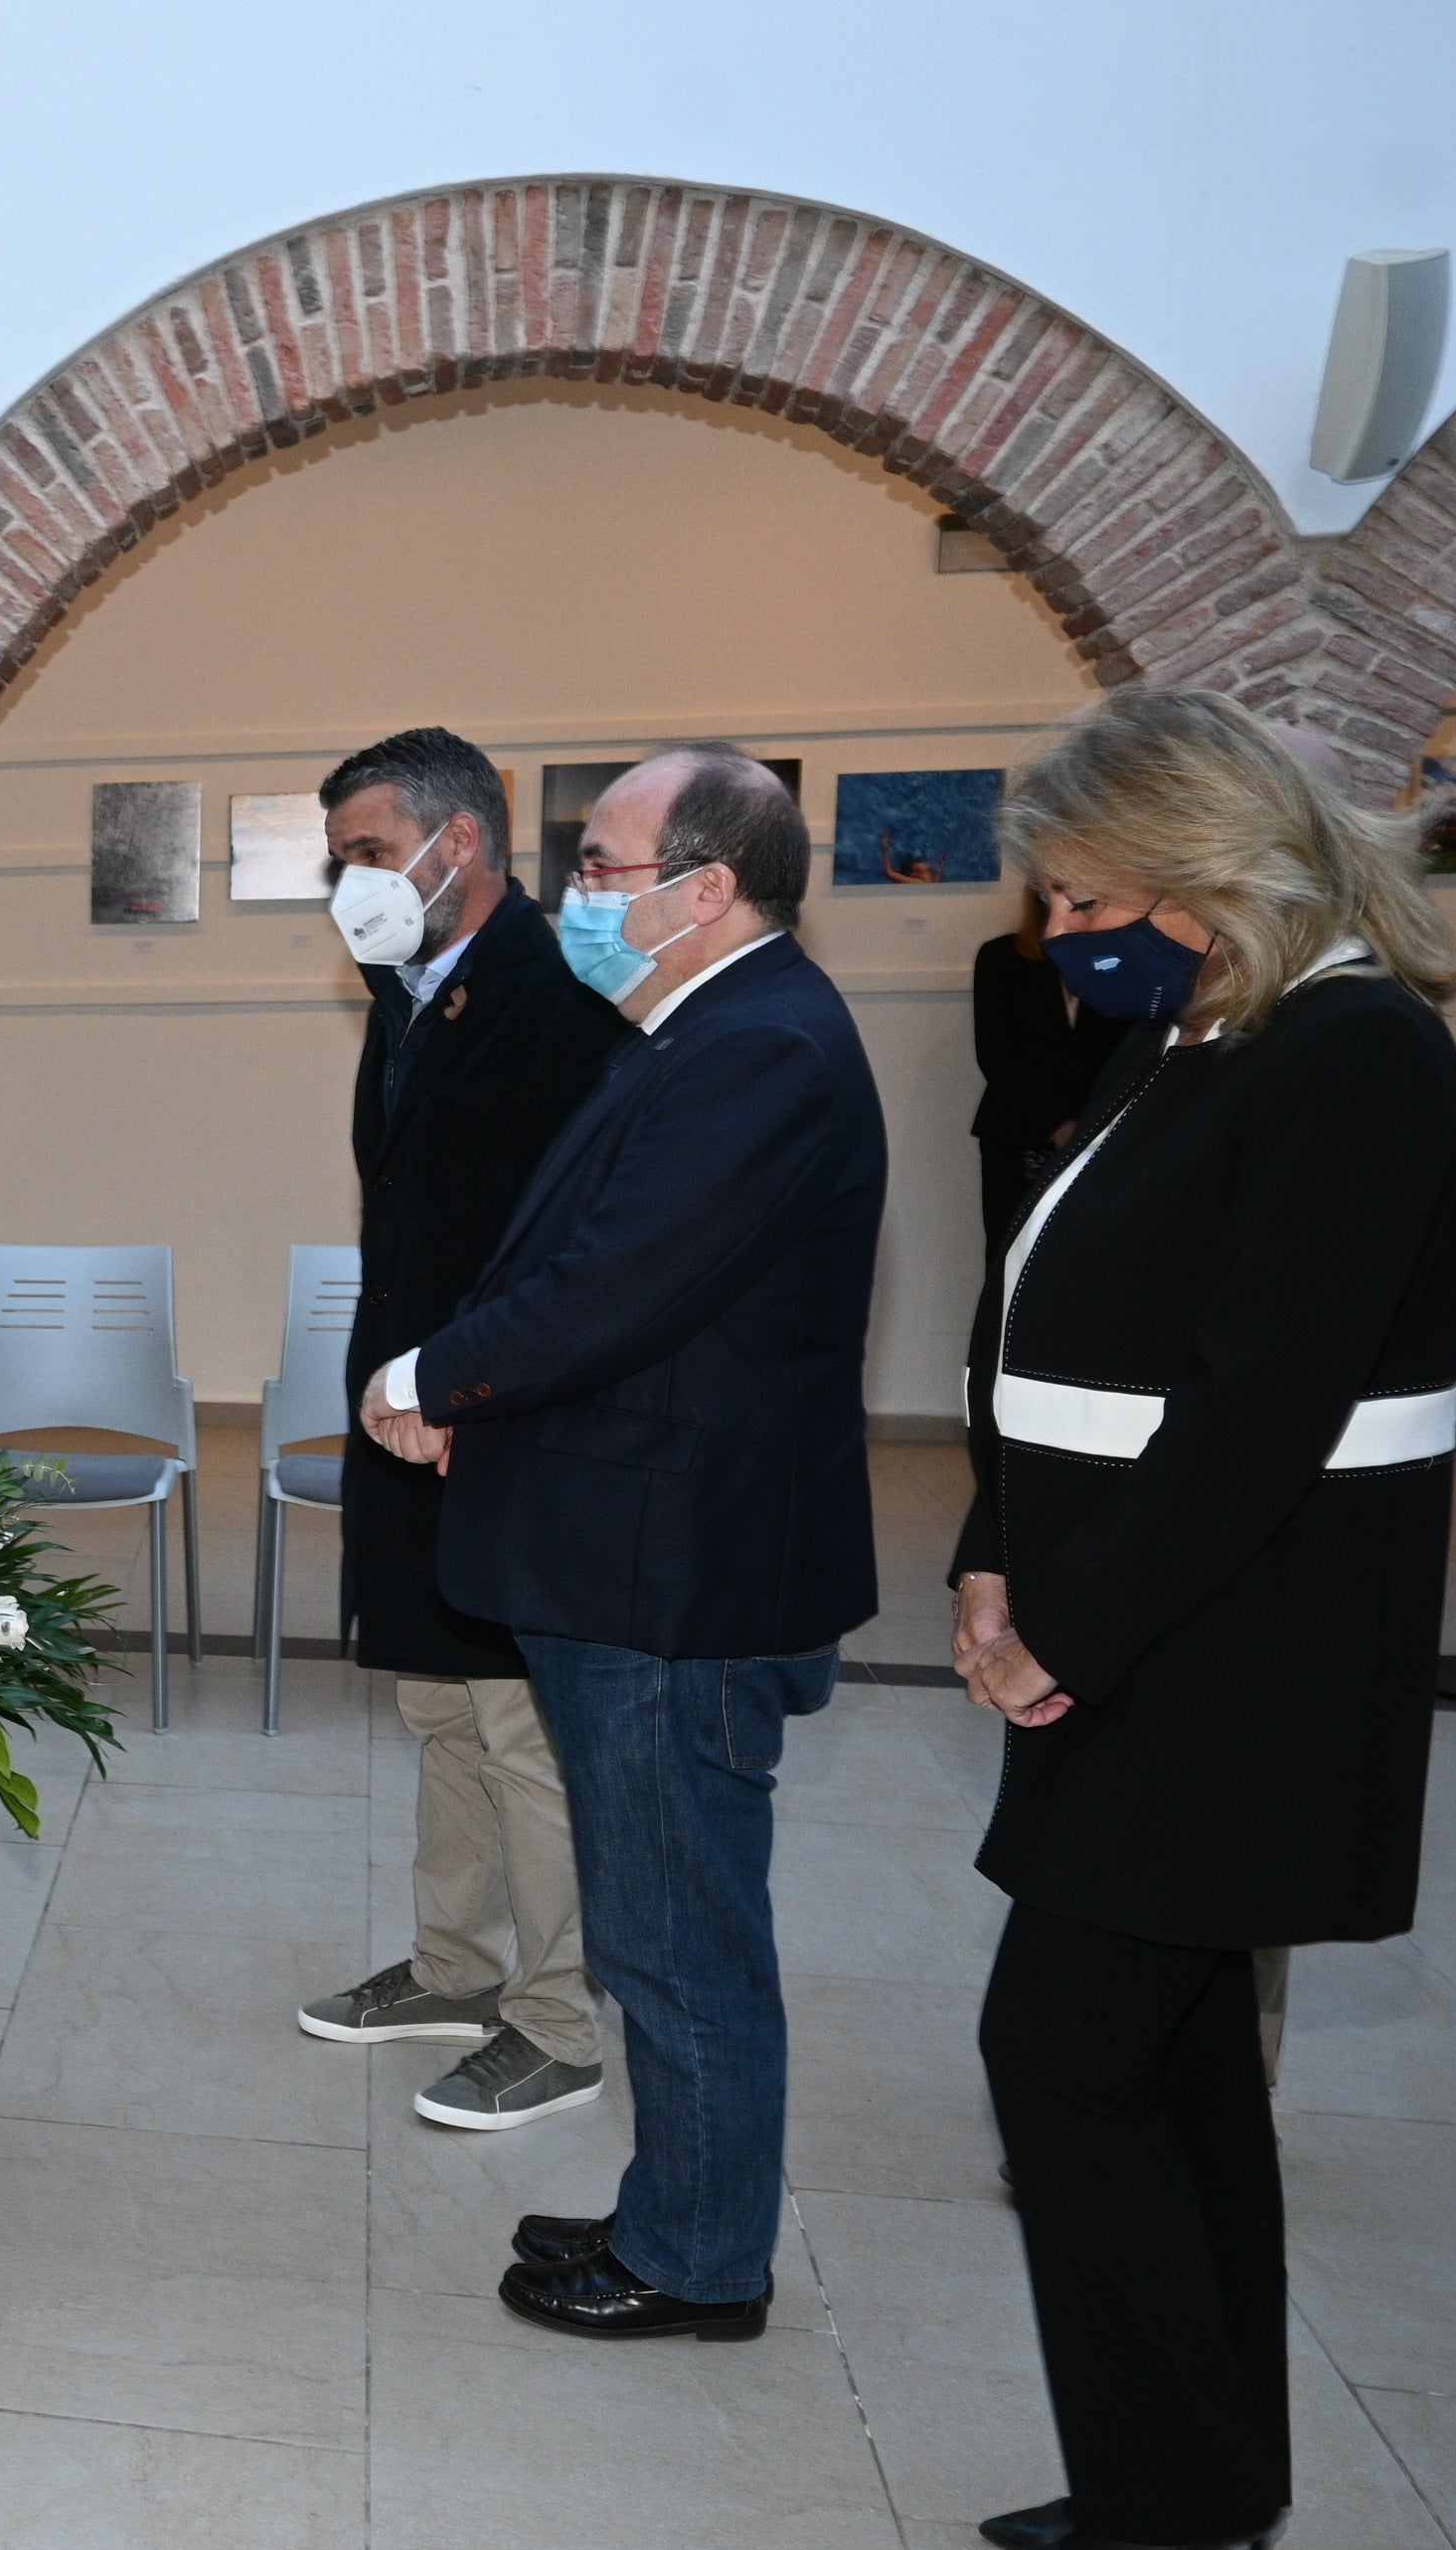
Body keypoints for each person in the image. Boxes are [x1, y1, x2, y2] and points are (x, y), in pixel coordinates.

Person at [949, 686, 1456, 2550]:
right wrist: (991, 1556)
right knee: (1171, 2076)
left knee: (1063, 2056)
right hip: (1127, 1627)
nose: (1064, 926)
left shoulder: (1360, 1058)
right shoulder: (1206, 1029)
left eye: (1089, 887)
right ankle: (1190, 2473)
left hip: (1228, 1664)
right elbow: (1049, 1334)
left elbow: (1256, 1410)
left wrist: (1062, 1627)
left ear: (1204, 869)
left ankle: (1162, 2489)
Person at [358, 746, 884, 2342]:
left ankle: (698, 2261)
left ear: (707, 888)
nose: (579, 892)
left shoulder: (761, 1049)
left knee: (675, 1940)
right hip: (640, 1537)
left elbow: (623, 1282)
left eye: (602, 867)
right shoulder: (699, 1025)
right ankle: (678, 2210)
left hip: (676, 1568)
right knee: (660, 1923)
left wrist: (439, 1374)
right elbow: (592, 1250)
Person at [292, 729, 628, 2130]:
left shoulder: (568, 998)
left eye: (371, 851)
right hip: (408, 1405)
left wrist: (475, 1393)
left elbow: (577, 1244)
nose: (352, 882)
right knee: (441, 1709)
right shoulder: (406, 984)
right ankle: (454, 1969)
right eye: (343, 858)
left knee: (520, 1726)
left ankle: (554, 2022)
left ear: (462, 843)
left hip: (502, 1413)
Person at [968, 885, 1129, 1255]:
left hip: (1102, 1142)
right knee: (1012, 1256)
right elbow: (996, 1054)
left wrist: (1090, 1128)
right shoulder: (999, 958)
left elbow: (1128, 1051)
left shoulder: (1116, 960)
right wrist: (1059, 1124)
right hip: (1016, 1138)